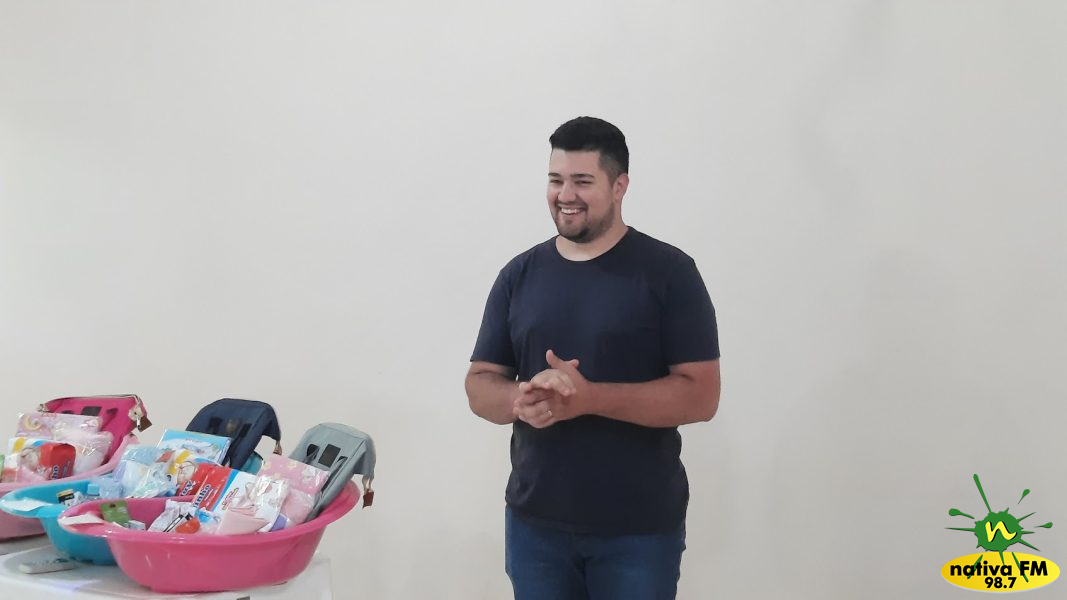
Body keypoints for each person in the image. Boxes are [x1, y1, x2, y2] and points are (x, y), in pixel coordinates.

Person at [465, 116, 721, 600]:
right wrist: (520, 399)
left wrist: (589, 399)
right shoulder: (518, 275)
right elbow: (480, 382)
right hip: (535, 526)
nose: (566, 195)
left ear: (619, 186)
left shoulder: (670, 273)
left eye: (582, 181)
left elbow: (702, 396)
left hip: (639, 531)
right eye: (556, 180)